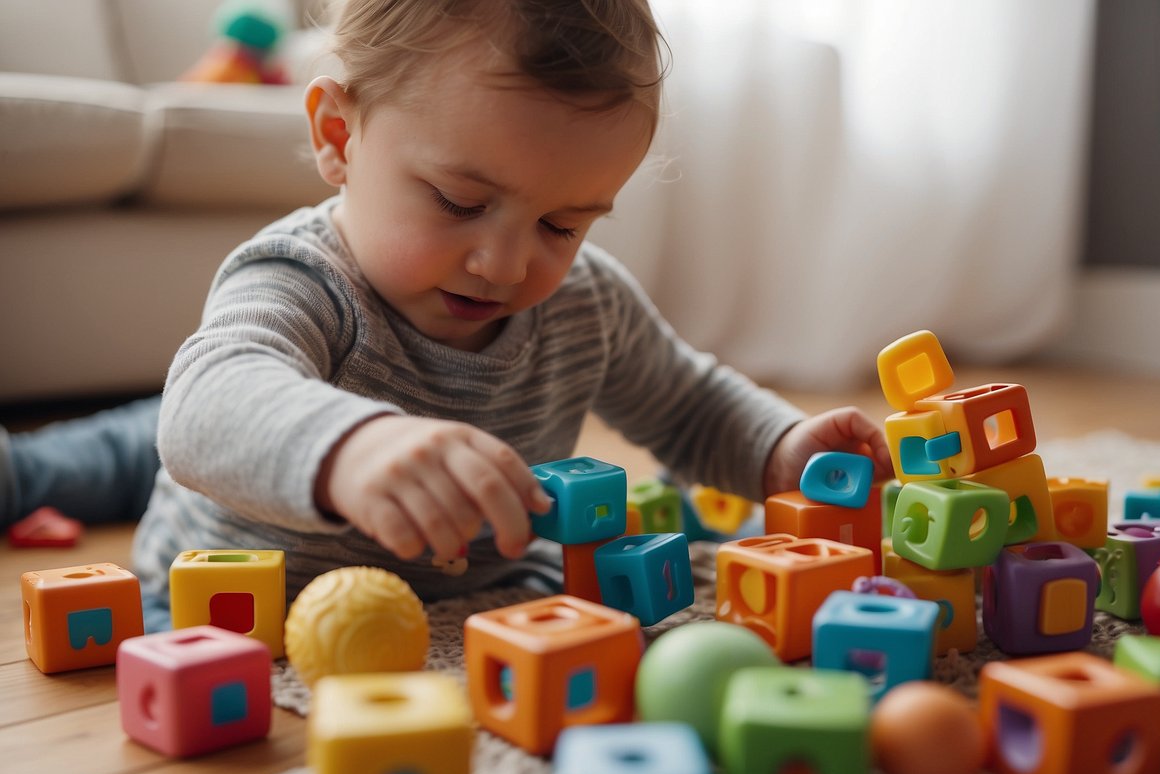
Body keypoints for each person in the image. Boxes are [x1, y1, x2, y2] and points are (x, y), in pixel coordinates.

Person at [3, 0, 892, 630]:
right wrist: (353, 446)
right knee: (113, 449)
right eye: (459, 201)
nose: (505, 263)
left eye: (561, 223)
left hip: (464, 589)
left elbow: (689, 403)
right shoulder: (301, 278)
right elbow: (206, 408)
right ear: (340, 138)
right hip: (241, 585)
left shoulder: (588, 302)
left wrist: (779, 446)